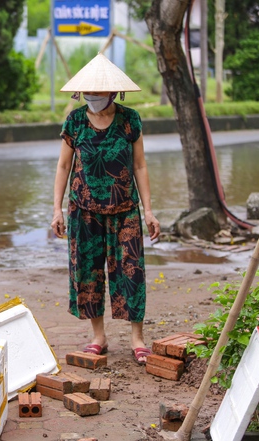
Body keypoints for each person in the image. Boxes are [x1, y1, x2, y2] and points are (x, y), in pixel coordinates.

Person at [51, 53, 161, 366]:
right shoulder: (75, 121)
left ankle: (137, 338)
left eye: (97, 93)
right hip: (83, 210)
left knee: (131, 271)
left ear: (112, 93)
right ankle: (98, 336)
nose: (92, 98)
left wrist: (148, 211)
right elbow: (63, 166)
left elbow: (139, 165)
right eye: (87, 93)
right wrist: (56, 209)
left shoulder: (130, 119)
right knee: (88, 271)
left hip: (125, 209)